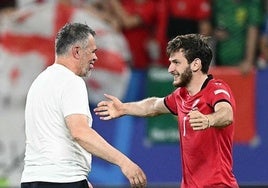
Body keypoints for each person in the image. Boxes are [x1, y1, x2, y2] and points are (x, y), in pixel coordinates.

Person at [94, 34, 239, 187]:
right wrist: (124, 108)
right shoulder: (181, 96)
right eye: (170, 63)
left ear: (195, 64)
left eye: (176, 62)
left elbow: (226, 114)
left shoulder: (216, 88)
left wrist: (209, 120)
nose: (170, 69)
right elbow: (153, 106)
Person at [20, 22, 147, 188]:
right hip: (62, 179)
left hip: (32, 179)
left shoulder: (39, 81)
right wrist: (125, 163)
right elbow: (80, 132)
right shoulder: (71, 81)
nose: (95, 57)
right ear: (77, 51)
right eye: (93, 51)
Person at [212, 0, 263, 74]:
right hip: (219, 63)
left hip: (241, 66)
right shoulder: (220, 3)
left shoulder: (252, 3)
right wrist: (215, 32)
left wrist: (248, 60)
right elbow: (208, 27)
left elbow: (253, 32)